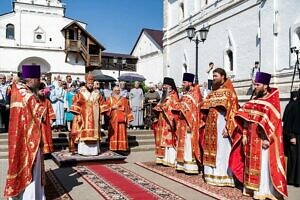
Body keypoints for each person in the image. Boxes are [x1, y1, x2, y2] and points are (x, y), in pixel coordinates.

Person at [230, 72, 288, 199]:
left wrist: (268, 138)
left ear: (265, 86)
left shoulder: (271, 102)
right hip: (251, 139)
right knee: (250, 164)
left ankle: (263, 190)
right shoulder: (254, 100)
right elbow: (246, 119)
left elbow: (275, 124)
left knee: (263, 166)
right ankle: (250, 188)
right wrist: (244, 134)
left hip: (263, 140)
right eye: (255, 84)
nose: (255, 87)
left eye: (258, 84)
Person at [3, 65, 47, 199]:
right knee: (31, 169)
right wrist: (41, 101)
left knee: (18, 163)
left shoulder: (17, 90)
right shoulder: (27, 94)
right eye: (38, 79)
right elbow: (40, 113)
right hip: (29, 140)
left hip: (19, 135)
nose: (39, 82)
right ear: (30, 79)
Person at [201, 68, 239, 186]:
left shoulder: (229, 92)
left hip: (222, 124)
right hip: (211, 125)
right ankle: (210, 175)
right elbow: (204, 107)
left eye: (216, 76)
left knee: (222, 150)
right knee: (211, 148)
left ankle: (222, 175)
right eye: (213, 76)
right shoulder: (212, 93)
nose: (214, 78)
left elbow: (233, 110)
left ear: (223, 77)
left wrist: (229, 127)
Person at [70, 72, 108, 156]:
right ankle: (83, 151)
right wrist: (77, 114)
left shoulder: (97, 93)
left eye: (91, 83)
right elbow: (76, 102)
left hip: (95, 117)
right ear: (86, 83)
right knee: (84, 133)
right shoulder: (81, 93)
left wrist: (103, 110)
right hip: (84, 116)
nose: (90, 85)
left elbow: (102, 103)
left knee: (94, 134)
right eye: (89, 83)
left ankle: (94, 151)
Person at [173, 73, 202, 173]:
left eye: (184, 82)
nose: (182, 84)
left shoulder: (195, 94)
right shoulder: (185, 94)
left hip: (190, 123)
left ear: (190, 82)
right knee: (183, 143)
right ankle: (182, 164)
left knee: (189, 143)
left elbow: (195, 110)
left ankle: (191, 166)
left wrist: (191, 124)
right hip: (182, 123)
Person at [152, 77, 179, 166]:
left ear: (170, 86)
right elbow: (160, 105)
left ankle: (170, 160)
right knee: (161, 140)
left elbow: (172, 108)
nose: (163, 87)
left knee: (168, 140)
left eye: (165, 85)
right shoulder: (164, 96)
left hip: (169, 121)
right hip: (161, 121)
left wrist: (162, 108)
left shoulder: (173, 96)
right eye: (163, 85)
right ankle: (161, 158)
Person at [105, 86, 133, 151]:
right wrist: (112, 107)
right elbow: (106, 109)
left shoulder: (124, 99)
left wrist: (129, 119)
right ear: (113, 91)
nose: (117, 92)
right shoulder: (110, 99)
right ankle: (113, 147)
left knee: (122, 133)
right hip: (113, 120)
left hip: (122, 120)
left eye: (118, 90)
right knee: (113, 134)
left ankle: (122, 147)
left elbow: (127, 109)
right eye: (115, 90)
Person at [283, 89, 300, 187]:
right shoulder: (293, 106)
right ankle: (293, 180)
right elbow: (288, 122)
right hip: (294, 136)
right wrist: (292, 136)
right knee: (294, 159)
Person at [37, 82, 56, 155]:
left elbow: (50, 110)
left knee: (46, 136)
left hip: (46, 123)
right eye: (41, 91)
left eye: (43, 91)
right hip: (37, 123)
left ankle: (47, 151)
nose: (43, 92)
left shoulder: (47, 101)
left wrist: (51, 119)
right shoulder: (34, 100)